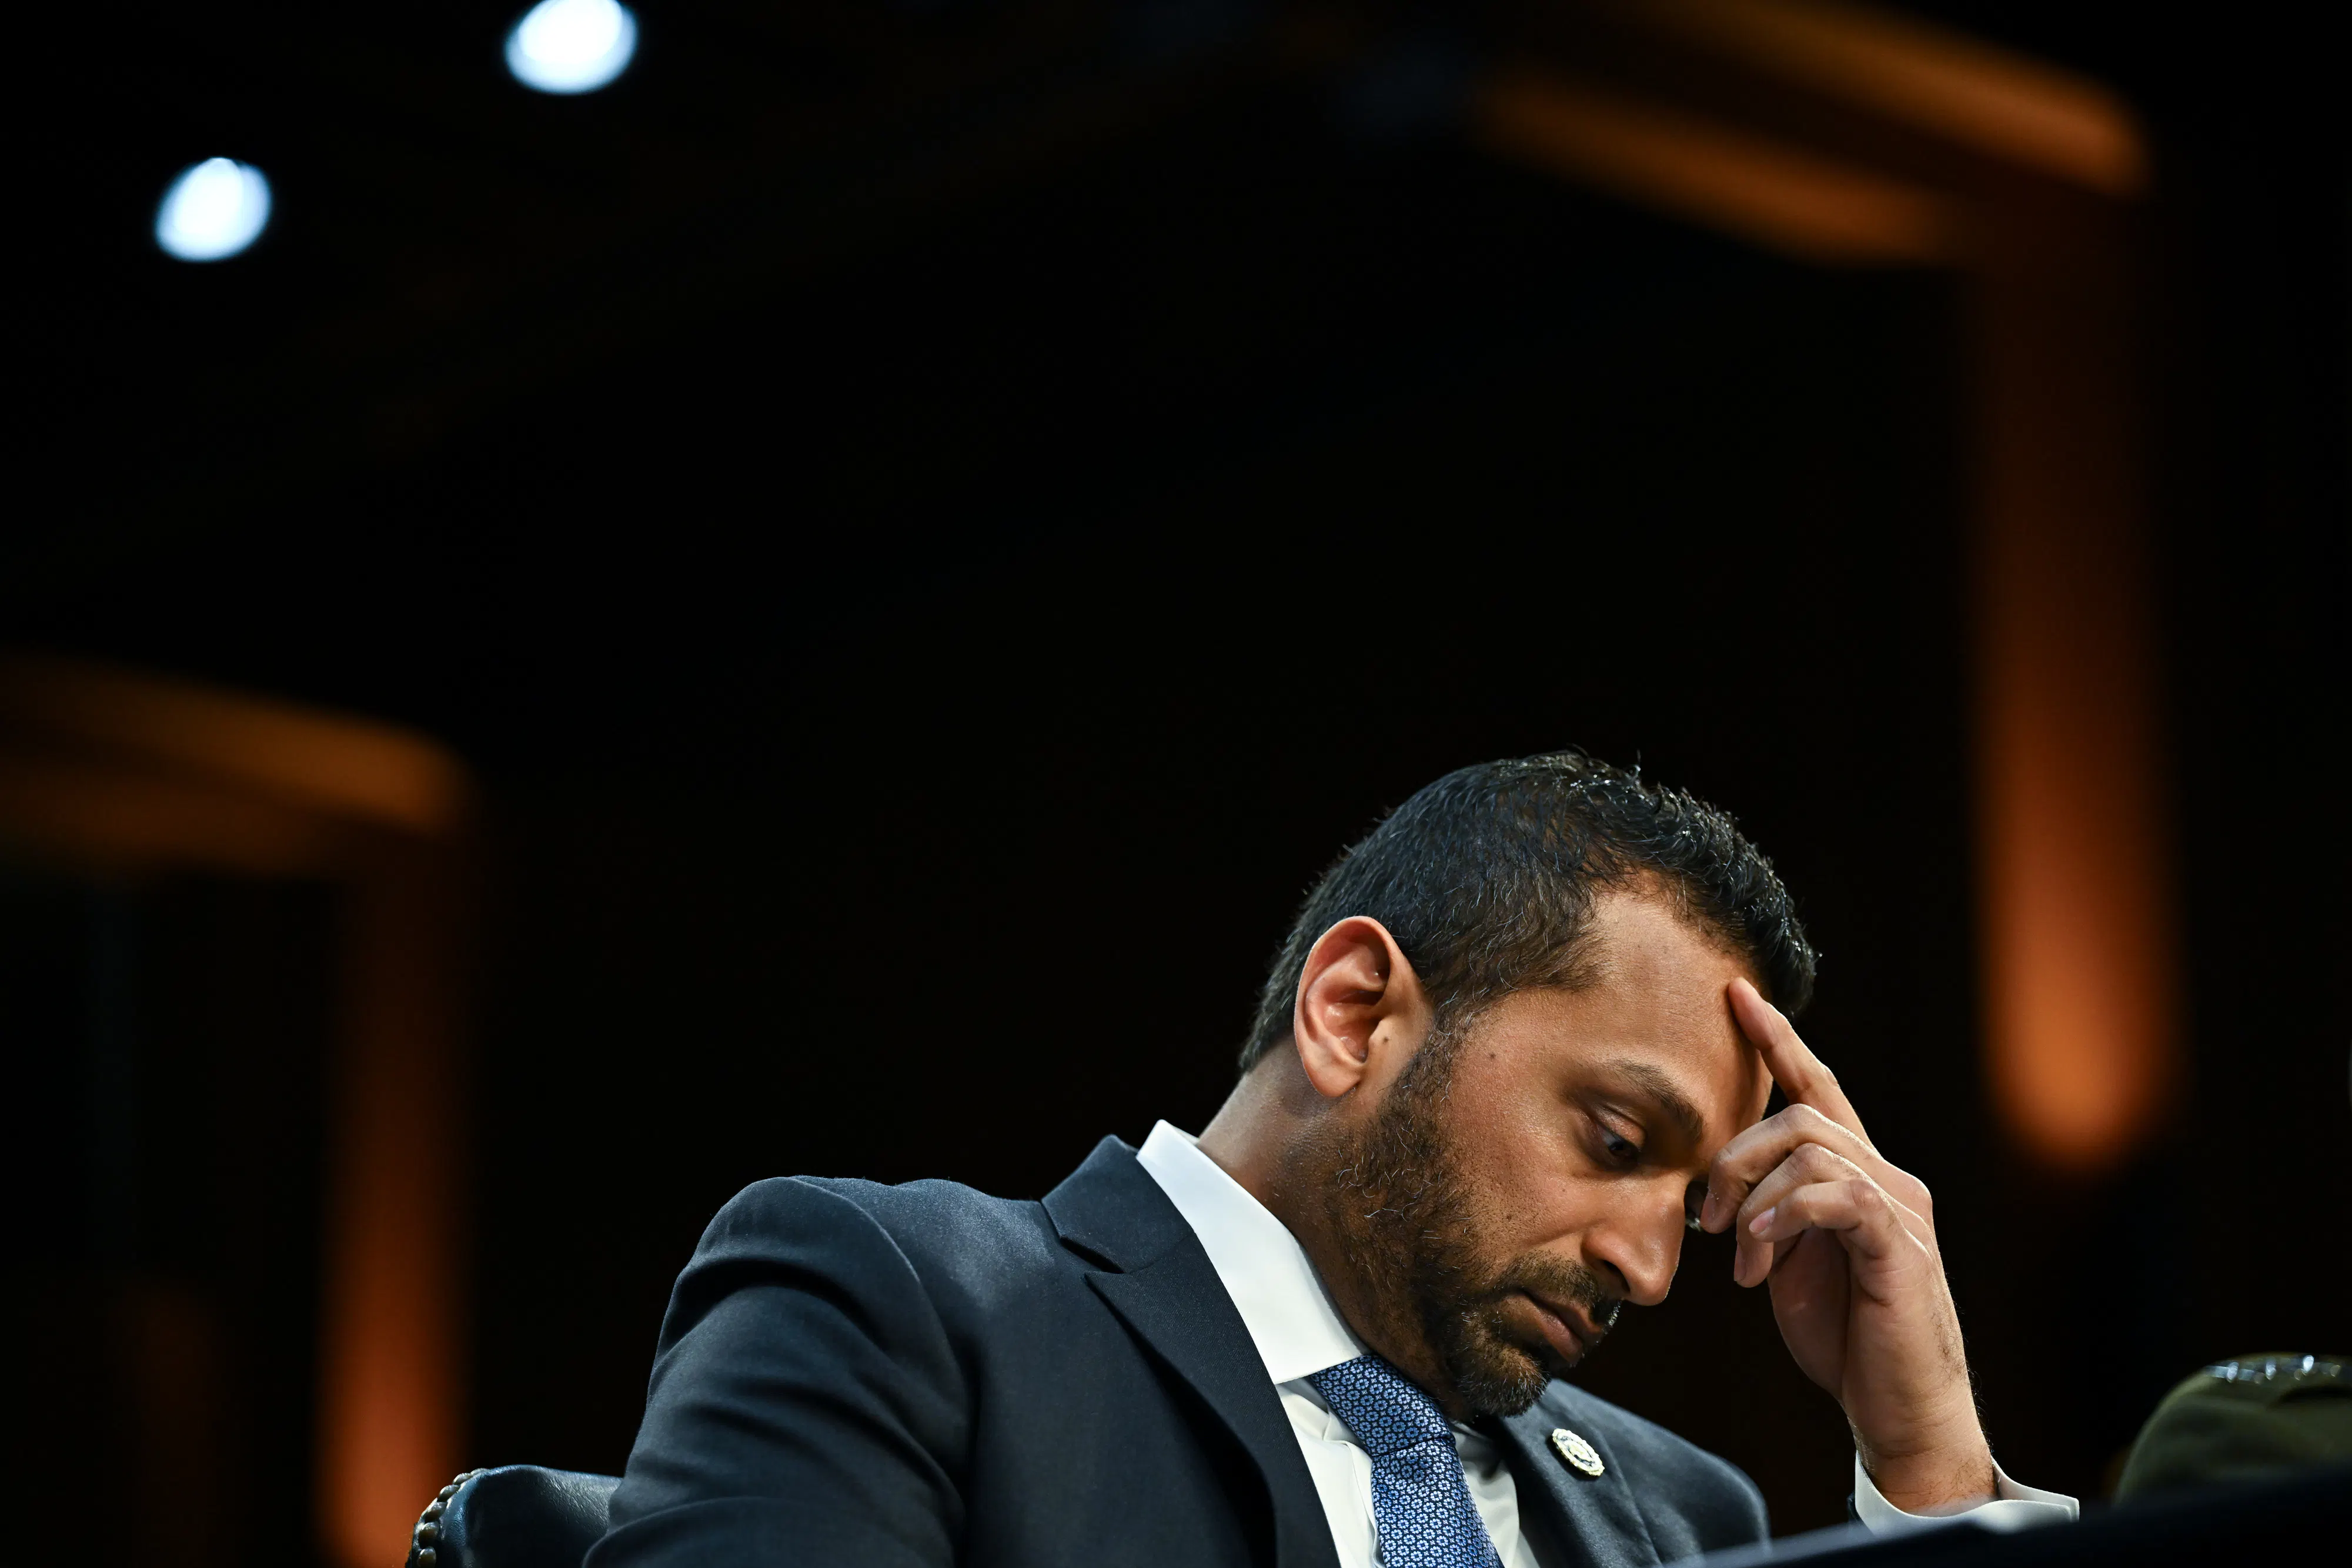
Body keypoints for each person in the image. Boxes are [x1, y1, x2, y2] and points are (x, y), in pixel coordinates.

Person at [586, 751, 2074, 1568]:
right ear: (1354, 1011)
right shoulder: (904, 1303)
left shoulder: (1681, 1520)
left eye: (1692, 1207)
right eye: (1615, 1142)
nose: (1646, 1263)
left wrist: (1934, 1465)